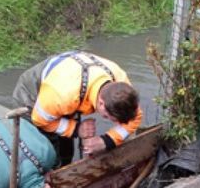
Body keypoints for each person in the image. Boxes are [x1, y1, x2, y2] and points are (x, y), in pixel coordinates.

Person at [12, 51, 143, 162]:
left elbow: (135, 118)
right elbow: (40, 119)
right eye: (110, 118)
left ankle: (65, 164)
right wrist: (76, 129)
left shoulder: (122, 84)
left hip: (72, 81)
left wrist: (107, 140)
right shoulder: (62, 94)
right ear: (101, 104)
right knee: (46, 150)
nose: (113, 122)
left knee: (65, 147)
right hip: (35, 92)